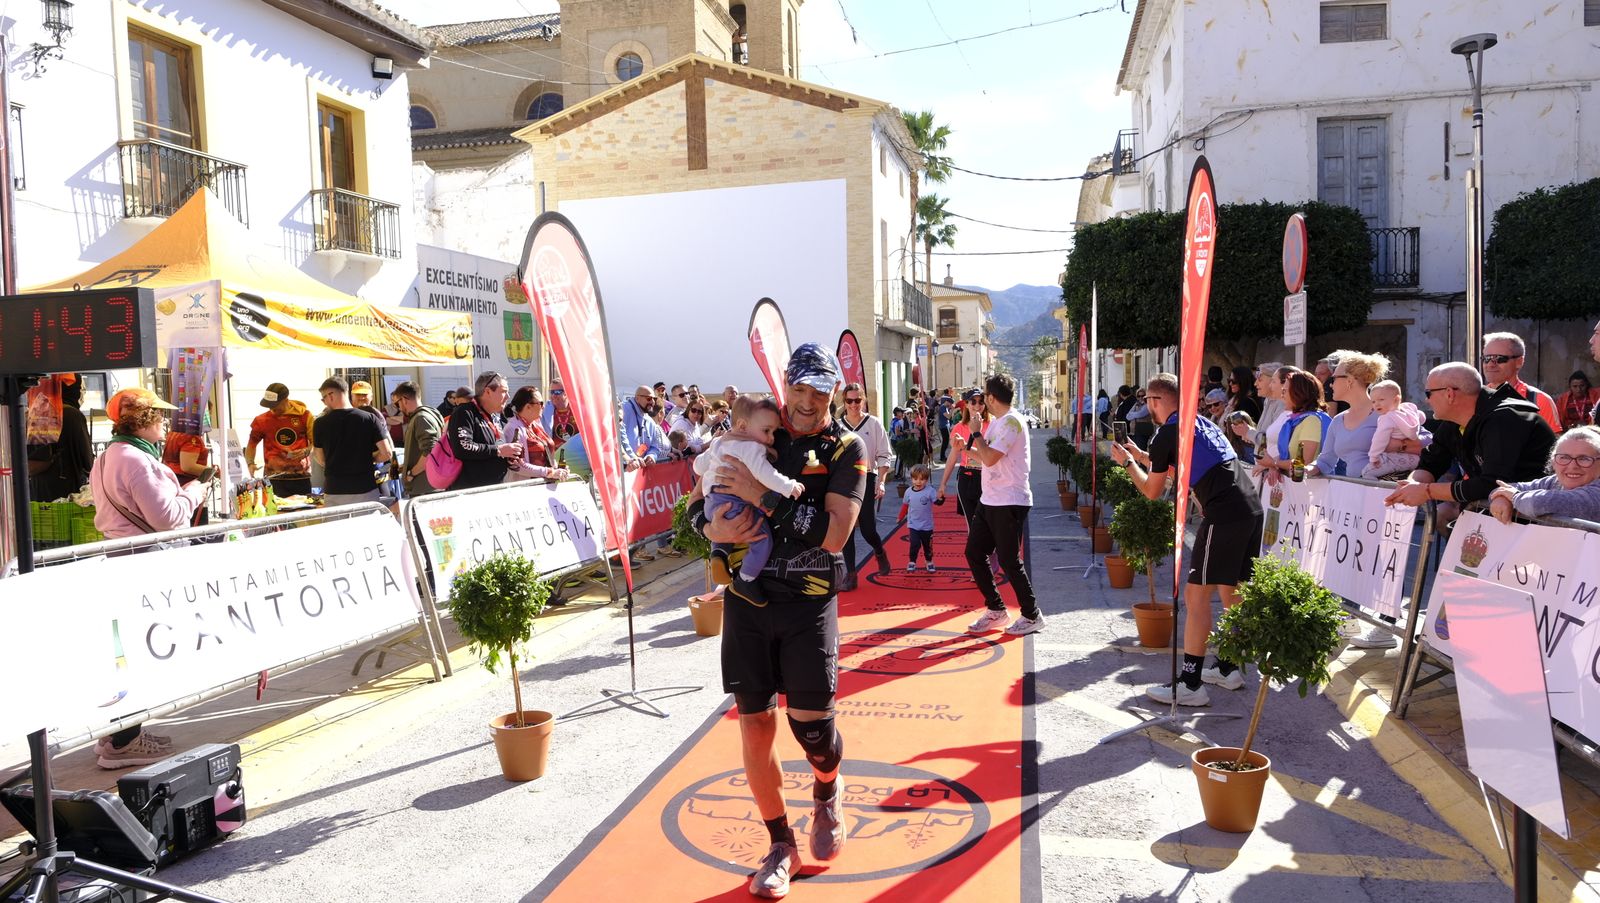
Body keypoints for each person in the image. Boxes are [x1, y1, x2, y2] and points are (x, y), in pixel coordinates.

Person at [690, 343, 865, 898]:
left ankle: (827, 787)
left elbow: (835, 534)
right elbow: (701, 499)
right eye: (801, 388)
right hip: (746, 601)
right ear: (785, 384)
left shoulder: (847, 447)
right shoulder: (757, 427)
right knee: (755, 724)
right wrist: (707, 526)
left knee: (813, 732)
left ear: (835, 392)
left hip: (809, 604)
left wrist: (763, 499)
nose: (808, 401)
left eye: (821, 390)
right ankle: (778, 843)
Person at [1111, 373, 1263, 706]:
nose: (1145, 406)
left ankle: (1191, 683)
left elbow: (1152, 491)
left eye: (1146, 401)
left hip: (1223, 514)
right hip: (1250, 508)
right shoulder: (1199, 423)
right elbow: (1176, 466)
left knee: (1196, 600)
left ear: (1154, 400)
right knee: (1232, 592)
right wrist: (1139, 455)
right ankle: (1228, 667)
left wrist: (1125, 464)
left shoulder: (1167, 432)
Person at [89, 388, 214, 768]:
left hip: (122, 557)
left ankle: (120, 734)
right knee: (144, 650)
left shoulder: (109, 455)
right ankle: (124, 742)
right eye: (158, 416)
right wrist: (194, 491)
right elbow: (167, 518)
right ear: (142, 420)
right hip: (145, 562)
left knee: (129, 649)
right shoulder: (136, 460)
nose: (164, 422)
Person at [1384, 363, 1555, 511]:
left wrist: (1426, 491)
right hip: (1501, 513)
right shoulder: (1454, 421)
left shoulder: (1504, 419)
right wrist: (1411, 486)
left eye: (1428, 393)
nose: (1427, 401)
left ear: (1449, 394)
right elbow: (1431, 461)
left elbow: (1491, 483)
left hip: (1536, 519)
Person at [694, 394, 806, 605]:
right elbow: (765, 474)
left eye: (773, 432)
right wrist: (788, 486)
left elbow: (698, 466)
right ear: (743, 426)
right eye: (766, 431)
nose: (771, 438)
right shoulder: (751, 447)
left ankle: (718, 551)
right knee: (762, 539)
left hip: (712, 502)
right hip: (735, 503)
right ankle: (746, 580)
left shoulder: (719, 443)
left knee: (723, 524)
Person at [960, 373, 1044, 637]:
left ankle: (1032, 615)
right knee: (974, 552)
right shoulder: (998, 423)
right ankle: (996, 609)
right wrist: (966, 449)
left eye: (984, 395)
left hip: (1009, 500)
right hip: (991, 499)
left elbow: (992, 457)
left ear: (992, 398)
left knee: (1009, 560)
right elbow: (986, 457)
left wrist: (975, 434)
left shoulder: (1012, 423)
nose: (982, 400)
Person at [837, 382, 892, 589]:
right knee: (847, 530)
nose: (853, 404)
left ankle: (879, 551)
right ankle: (851, 575)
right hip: (844, 481)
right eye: (849, 401)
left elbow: (884, 454)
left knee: (868, 529)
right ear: (844, 401)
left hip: (867, 478)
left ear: (864, 400)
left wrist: (882, 482)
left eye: (857, 400)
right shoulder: (837, 426)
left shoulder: (874, 424)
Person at [1489, 427, 1600, 523]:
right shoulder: (1554, 481)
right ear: (1553, 462)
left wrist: (1513, 498)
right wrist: (1501, 497)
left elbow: (1540, 503)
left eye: (1584, 459)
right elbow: (1503, 489)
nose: (1572, 466)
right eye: (1564, 457)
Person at [313, 378, 393, 506]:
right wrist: (371, 458)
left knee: (337, 526)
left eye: (324, 398)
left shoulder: (320, 423)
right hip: (364, 487)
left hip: (334, 489)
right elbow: (387, 453)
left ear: (331, 396)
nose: (324, 402)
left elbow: (319, 457)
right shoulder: (370, 418)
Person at [1307, 350, 1384, 478]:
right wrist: (1305, 470)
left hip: (1381, 495)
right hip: (1352, 493)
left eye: (1334, 378)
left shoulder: (1385, 413)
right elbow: (1325, 461)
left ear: (1350, 380)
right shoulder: (1338, 420)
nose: (1330, 384)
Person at [447, 372, 523, 490]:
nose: (508, 396)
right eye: (503, 391)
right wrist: (498, 450)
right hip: (471, 492)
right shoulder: (464, 412)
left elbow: (492, 452)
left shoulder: (494, 416)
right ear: (487, 391)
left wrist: (508, 458)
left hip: (494, 488)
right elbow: (463, 448)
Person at [1256, 369, 1329, 484]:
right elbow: (1286, 455)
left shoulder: (1311, 421)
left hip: (1309, 490)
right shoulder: (1293, 420)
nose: (1282, 395)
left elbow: (1304, 463)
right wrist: (1272, 466)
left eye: (1285, 391)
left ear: (1297, 393)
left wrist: (1273, 463)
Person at [29, 377, 94, 502]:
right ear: (69, 389)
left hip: (39, 487)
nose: (82, 393)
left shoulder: (37, 412)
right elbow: (86, 460)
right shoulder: (72, 414)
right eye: (81, 389)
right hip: (67, 489)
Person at [1482, 331, 1560, 434]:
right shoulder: (1475, 398)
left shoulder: (1539, 400)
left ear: (1519, 362)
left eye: (1499, 359)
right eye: (1486, 359)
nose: (1490, 365)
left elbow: (1553, 446)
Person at [246, 382, 314, 497]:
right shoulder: (261, 420)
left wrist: (306, 451)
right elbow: (252, 444)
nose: (272, 408)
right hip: (273, 479)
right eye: (269, 405)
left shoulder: (305, 416)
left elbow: (315, 443)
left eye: (274, 404)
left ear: (286, 399)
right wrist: (250, 463)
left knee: (303, 512)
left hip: (301, 477)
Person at [937, 389, 989, 520]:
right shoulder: (959, 428)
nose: (977, 405)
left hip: (988, 478)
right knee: (972, 523)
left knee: (988, 524)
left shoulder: (993, 425)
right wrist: (943, 484)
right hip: (967, 478)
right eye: (973, 401)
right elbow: (953, 456)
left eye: (981, 402)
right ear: (966, 404)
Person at [1363, 380, 1430, 480]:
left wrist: (1374, 457)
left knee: (1367, 472)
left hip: (1396, 458)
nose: (1377, 404)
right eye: (1373, 401)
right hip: (1416, 459)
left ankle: (1375, 492)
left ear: (1396, 399)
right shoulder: (1408, 410)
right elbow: (1422, 417)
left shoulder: (1386, 418)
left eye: (1381, 399)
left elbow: (1379, 440)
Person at [503, 387, 568, 483]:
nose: (544, 406)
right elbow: (517, 466)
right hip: (525, 489)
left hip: (543, 485)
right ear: (528, 406)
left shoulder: (536, 423)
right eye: (540, 403)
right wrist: (549, 472)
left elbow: (545, 455)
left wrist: (557, 467)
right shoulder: (513, 428)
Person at [395, 381, 444, 497]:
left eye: (398, 404)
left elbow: (430, 452)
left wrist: (411, 474)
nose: (399, 408)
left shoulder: (421, 418)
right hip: (427, 487)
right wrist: (405, 467)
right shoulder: (426, 415)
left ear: (404, 400)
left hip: (425, 489)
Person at [899, 463, 937, 572]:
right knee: (914, 544)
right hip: (913, 524)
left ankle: (929, 561)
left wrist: (941, 498)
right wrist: (900, 517)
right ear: (911, 479)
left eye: (922, 479)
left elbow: (937, 502)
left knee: (927, 546)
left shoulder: (930, 491)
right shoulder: (908, 492)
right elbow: (905, 505)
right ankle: (912, 561)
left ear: (927, 480)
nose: (918, 482)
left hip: (927, 526)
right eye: (915, 479)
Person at [622, 385, 673, 462]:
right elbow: (619, 440)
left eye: (654, 399)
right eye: (649, 398)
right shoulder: (623, 410)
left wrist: (651, 456)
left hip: (639, 468)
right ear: (637, 398)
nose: (652, 402)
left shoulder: (649, 421)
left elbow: (655, 446)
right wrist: (631, 458)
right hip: (624, 467)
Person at [540, 379, 580, 449]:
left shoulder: (577, 411)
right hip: (554, 454)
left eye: (557, 392)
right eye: (551, 392)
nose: (553, 395)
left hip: (575, 454)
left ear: (566, 393)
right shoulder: (545, 411)